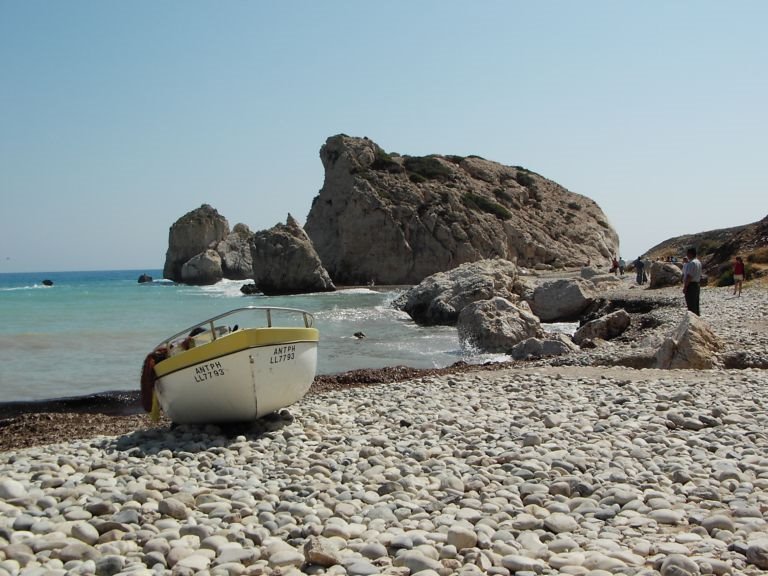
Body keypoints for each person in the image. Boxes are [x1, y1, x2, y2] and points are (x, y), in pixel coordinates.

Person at [681, 247, 702, 315]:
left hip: (691, 285)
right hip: (697, 285)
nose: (687, 255)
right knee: (695, 303)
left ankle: (692, 320)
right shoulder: (698, 262)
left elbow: (689, 276)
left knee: (691, 304)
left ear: (690, 254)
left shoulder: (691, 263)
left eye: (687, 253)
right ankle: (697, 318)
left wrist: (685, 287)